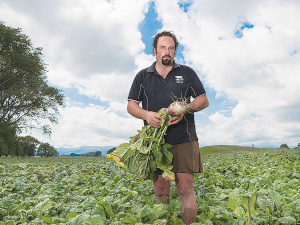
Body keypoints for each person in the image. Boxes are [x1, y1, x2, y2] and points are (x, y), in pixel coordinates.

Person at [127, 31, 209, 225]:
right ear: (154, 50)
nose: (167, 52)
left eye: (171, 48)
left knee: (186, 190)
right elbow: (131, 105)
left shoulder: (186, 72)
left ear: (174, 51)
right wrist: (147, 115)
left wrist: (185, 109)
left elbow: (203, 99)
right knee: (161, 192)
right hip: (155, 142)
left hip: (185, 139)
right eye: (163, 47)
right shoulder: (142, 76)